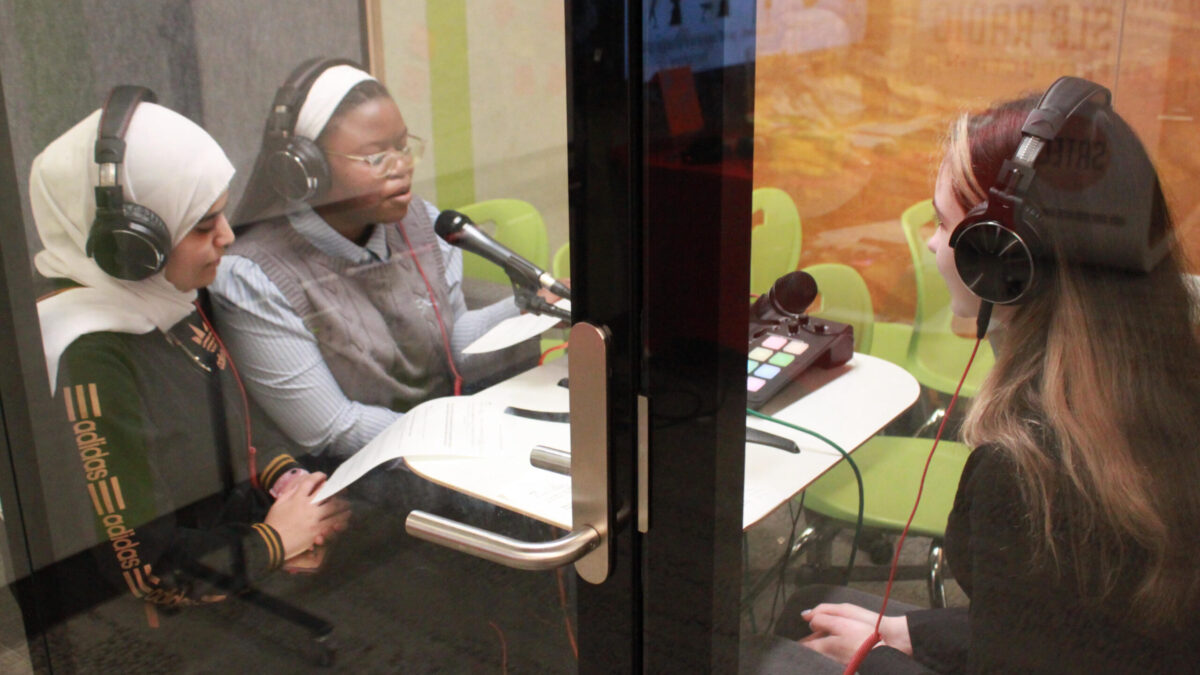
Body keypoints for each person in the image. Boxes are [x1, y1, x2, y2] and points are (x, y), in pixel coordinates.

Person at [749, 80, 1200, 673]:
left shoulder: (1029, 468)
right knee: (814, 605)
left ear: (1003, 256)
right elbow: (1074, 631)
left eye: (945, 224)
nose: (935, 242)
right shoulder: (1162, 379)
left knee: (777, 653)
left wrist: (877, 658)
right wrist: (911, 632)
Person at [30, 87, 350, 627]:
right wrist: (275, 541)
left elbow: (236, 426)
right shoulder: (90, 360)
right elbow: (146, 571)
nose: (226, 237)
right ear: (132, 245)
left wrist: (285, 482)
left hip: (233, 573)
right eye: (203, 225)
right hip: (145, 635)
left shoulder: (164, 294)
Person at [209, 58, 541, 464]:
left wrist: (532, 309)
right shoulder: (251, 277)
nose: (402, 166)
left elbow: (453, 346)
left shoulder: (422, 222)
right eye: (375, 157)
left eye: (402, 146)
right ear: (305, 171)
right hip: (355, 482)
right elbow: (333, 428)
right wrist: (465, 440)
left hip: (447, 447)